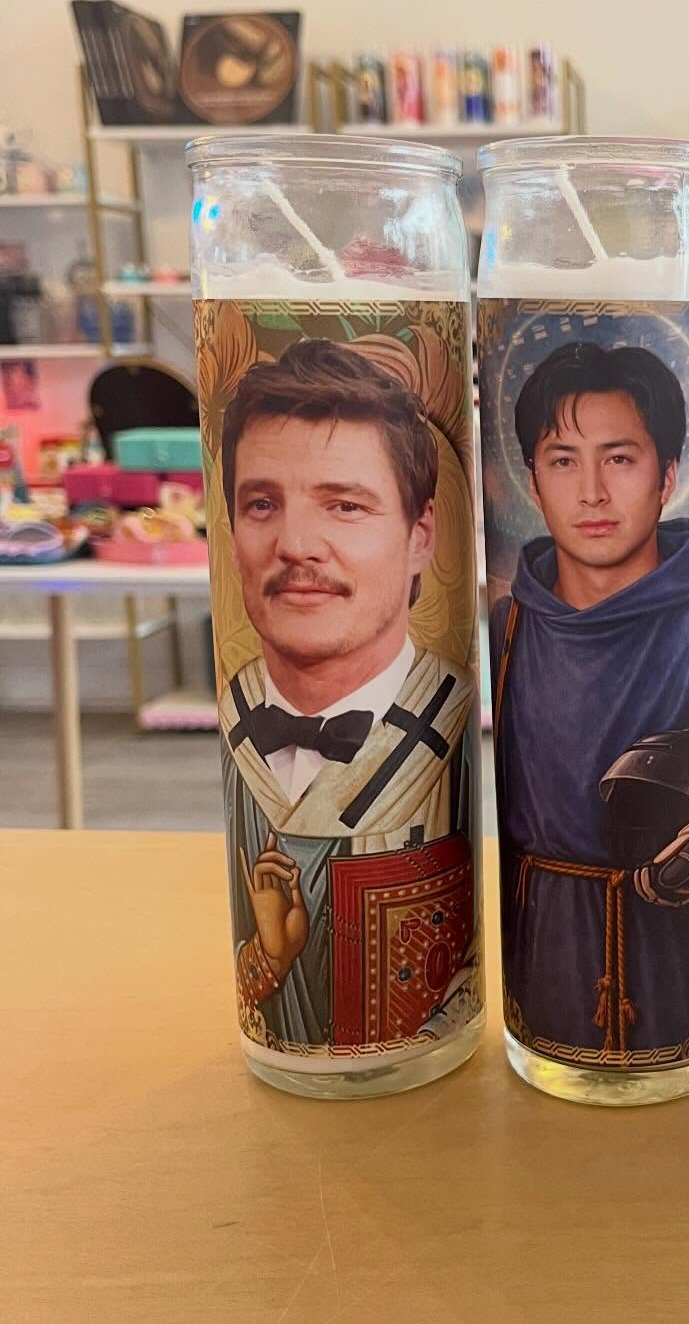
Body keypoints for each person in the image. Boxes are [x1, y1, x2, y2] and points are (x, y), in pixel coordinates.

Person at [217, 338, 476, 1052]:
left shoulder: (448, 721)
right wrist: (269, 955)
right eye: (262, 503)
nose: (297, 544)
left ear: (420, 535)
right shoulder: (237, 720)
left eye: (345, 506)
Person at [490, 341, 689, 1065]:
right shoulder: (510, 624)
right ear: (533, 482)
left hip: (674, 949)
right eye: (563, 461)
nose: (592, 492)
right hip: (546, 945)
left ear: (667, 476)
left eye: (620, 458)